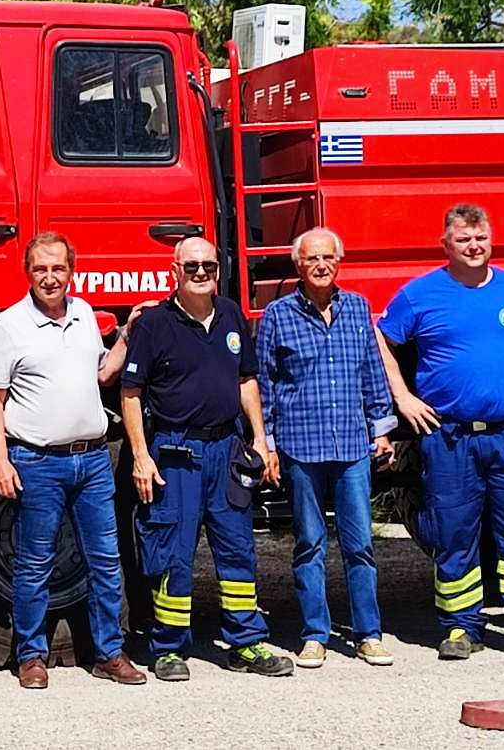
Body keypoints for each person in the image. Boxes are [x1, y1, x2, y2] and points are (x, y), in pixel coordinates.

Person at [376, 203, 504, 663]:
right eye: (463, 239)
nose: (473, 246)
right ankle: (461, 627)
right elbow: (381, 339)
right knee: (454, 534)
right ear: (445, 245)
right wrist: (403, 398)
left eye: (480, 237)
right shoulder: (420, 294)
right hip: (449, 438)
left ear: (491, 240)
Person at [121, 237, 294, 681]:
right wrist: (141, 456)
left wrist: (260, 439)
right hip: (175, 453)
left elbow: (246, 380)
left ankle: (246, 642)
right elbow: (131, 392)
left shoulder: (231, 314)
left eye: (209, 267)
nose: (201, 273)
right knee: (172, 553)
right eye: (192, 266)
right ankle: (168, 649)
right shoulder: (154, 324)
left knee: (238, 548)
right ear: (174, 271)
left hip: (227, 451)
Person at [0, 232, 146, 690]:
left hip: (92, 461)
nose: (50, 277)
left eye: (58, 268)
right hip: (38, 461)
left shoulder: (84, 315)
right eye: (41, 269)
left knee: (106, 561)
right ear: (27, 273)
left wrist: (127, 334)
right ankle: (31, 656)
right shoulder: (10, 324)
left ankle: (109, 653)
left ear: (71, 271)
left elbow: (102, 374)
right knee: (35, 563)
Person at [256, 227, 397, 669]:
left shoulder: (357, 308)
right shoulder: (278, 315)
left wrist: (381, 429)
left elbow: (372, 372)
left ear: (339, 262)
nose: (321, 265)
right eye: (312, 258)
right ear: (298, 265)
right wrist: (269, 444)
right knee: (309, 544)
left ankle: (368, 634)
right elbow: (265, 382)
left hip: (352, 444)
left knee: (360, 545)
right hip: (301, 446)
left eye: (328, 258)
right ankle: (315, 635)